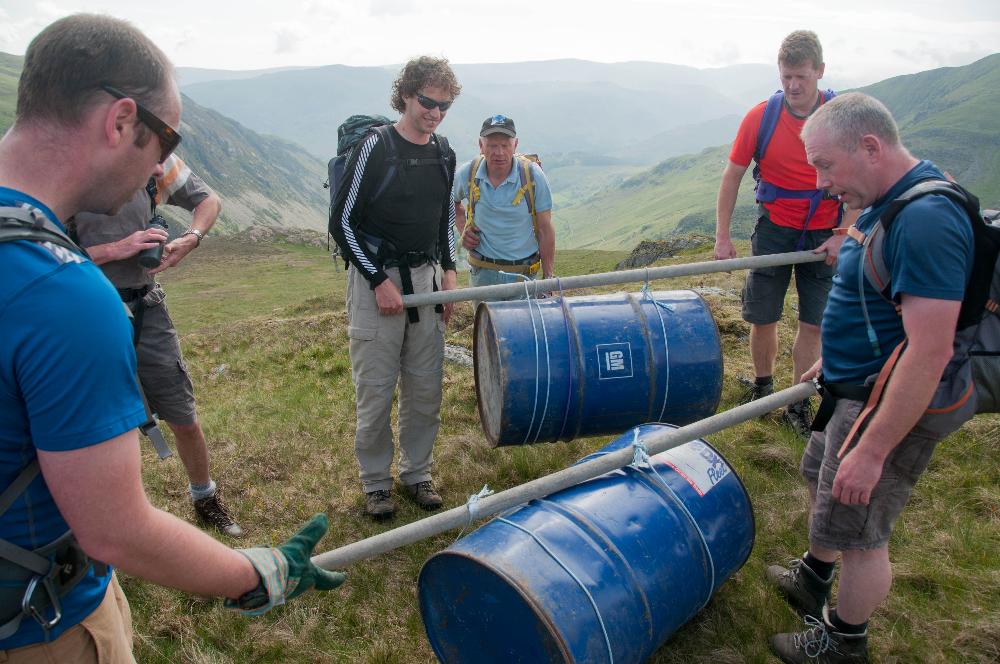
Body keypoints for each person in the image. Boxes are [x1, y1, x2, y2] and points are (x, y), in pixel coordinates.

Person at [0, 14, 344, 661]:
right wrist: (257, 572)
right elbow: (117, 531)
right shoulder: (67, 298)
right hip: (40, 627)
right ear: (121, 121)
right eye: (165, 139)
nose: (162, 165)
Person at [766, 92, 974, 663]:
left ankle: (842, 641)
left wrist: (875, 449)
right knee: (821, 481)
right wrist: (835, 359)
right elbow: (879, 305)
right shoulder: (890, 198)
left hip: (880, 408)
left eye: (826, 165)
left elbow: (928, 353)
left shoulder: (926, 219)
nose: (821, 184)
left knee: (861, 533)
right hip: (849, 388)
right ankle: (814, 575)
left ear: (871, 146)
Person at [71, 158, 243, 538]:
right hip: (84, 311)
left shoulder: (155, 160)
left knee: (183, 414)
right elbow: (36, 252)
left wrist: (192, 238)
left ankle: (205, 497)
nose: (153, 166)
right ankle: (109, 521)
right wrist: (115, 249)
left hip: (147, 307)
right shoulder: (70, 165)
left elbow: (208, 200)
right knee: (101, 427)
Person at [330, 56, 460, 520]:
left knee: (425, 387)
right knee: (377, 388)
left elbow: (445, 217)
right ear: (406, 94)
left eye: (444, 105)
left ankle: (417, 474)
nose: (435, 112)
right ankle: (376, 484)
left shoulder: (444, 152)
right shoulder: (376, 146)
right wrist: (377, 280)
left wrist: (449, 270)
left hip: (425, 280)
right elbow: (341, 222)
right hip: (375, 283)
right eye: (427, 101)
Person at [713, 30, 855, 437]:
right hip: (774, 229)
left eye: (802, 77)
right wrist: (723, 236)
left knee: (814, 322)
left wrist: (845, 233)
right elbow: (733, 175)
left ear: (820, 72)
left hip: (825, 232)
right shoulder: (760, 117)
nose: (793, 86)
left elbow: (863, 180)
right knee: (764, 315)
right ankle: (762, 388)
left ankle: (798, 401)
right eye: (787, 76)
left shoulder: (839, 117)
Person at [453, 114, 555, 300]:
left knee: (523, 329)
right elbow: (453, 203)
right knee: (487, 328)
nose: (499, 152)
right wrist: (463, 230)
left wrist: (548, 278)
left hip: (523, 277)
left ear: (515, 145)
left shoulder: (533, 176)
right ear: (481, 145)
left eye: (505, 145)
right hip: (482, 275)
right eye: (492, 145)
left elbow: (545, 228)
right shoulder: (468, 173)